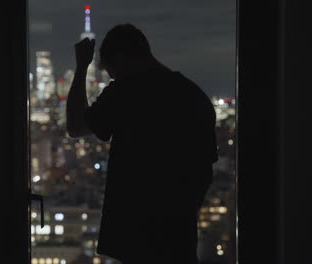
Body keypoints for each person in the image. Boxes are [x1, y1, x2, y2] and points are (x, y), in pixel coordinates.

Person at [66, 24, 218, 263]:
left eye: (112, 72)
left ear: (122, 58)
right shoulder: (194, 97)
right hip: (179, 237)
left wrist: (82, 66)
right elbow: (205, 173)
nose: (113, 79)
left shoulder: (128, 92)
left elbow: (75, 126)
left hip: (136, 237)